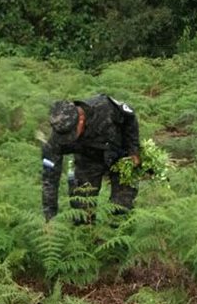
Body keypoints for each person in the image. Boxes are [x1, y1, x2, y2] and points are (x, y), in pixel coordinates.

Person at [41, 94, 141, 222]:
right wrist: (49, 217)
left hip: (121, 155)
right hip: (87, 161)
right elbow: (49, 179)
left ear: (81, 119)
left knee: (121, 208)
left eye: (71, 133)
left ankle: (117, 232)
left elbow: (130, 118)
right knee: (81, 211)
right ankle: (86, 233)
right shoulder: (55, 142)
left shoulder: (104, 107)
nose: (68, 139)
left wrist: (133, 150)